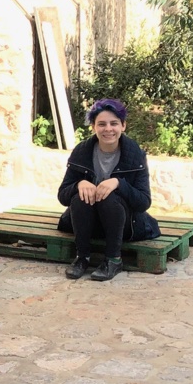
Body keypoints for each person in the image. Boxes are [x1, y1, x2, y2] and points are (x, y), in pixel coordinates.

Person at [60, 99, 159, 281]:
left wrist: (119, 184)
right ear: (93, 127)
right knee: (80, 197)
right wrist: (78, 184)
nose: (108, 129)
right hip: (88, 223)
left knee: (109, 197)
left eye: (114, 123)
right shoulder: (82, 152)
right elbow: (63, 195)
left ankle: (113, 260)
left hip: (123, 224)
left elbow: (144, 201)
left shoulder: (135, 155)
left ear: (123, 125)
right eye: (101, 124)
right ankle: (82, 257)